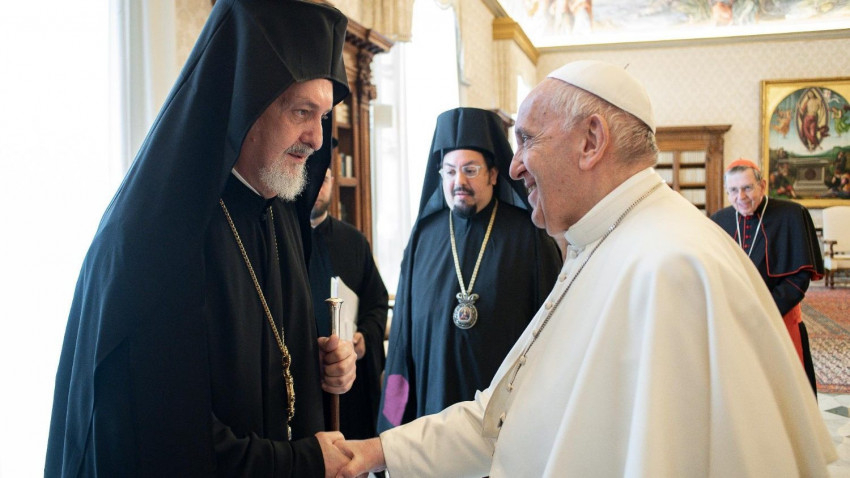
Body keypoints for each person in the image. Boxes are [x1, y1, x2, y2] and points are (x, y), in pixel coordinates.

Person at [336, 60, 837, 477]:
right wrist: (378, 450)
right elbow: (512, 417)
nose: (515, 166)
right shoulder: (601, 242)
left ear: (591, 140)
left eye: (527, 140)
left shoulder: (669, 266)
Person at [46, 1, 359, 476]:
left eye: (324, 117)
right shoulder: (156, 241)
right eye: (302, 111)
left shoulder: (279, 213)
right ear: (245, 102)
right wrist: (304, 462)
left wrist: (322, 368)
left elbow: (269, 370)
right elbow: (160, 442)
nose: (317, 138)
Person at [377, 107, 562, 433]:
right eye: (449, 171)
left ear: (494, 174)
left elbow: (552, 338)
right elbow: (401, 344)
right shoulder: (423, 237)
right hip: (431, 416)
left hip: (504, 424)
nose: (458, 182)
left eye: (470, 170)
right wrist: (390, 425)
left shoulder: (529, 236)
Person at [711, 158, 824, 395]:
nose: (741, 197)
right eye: (733, 190)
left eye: (747, 188)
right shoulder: (719, 221)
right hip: (737, 320)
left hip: (780, 317)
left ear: (762, 185)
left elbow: (798, 279)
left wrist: (762, 311)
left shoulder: (792, 215)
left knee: (786, 390)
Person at [309, 167, 389, 440]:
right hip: (302, 379)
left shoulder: (354, 241)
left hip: (350, 382)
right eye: (312, 178)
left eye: (324, 179)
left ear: (332, 182)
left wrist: (364, 338)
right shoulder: (281, 241)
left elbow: (377, 302)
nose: (318, 187)